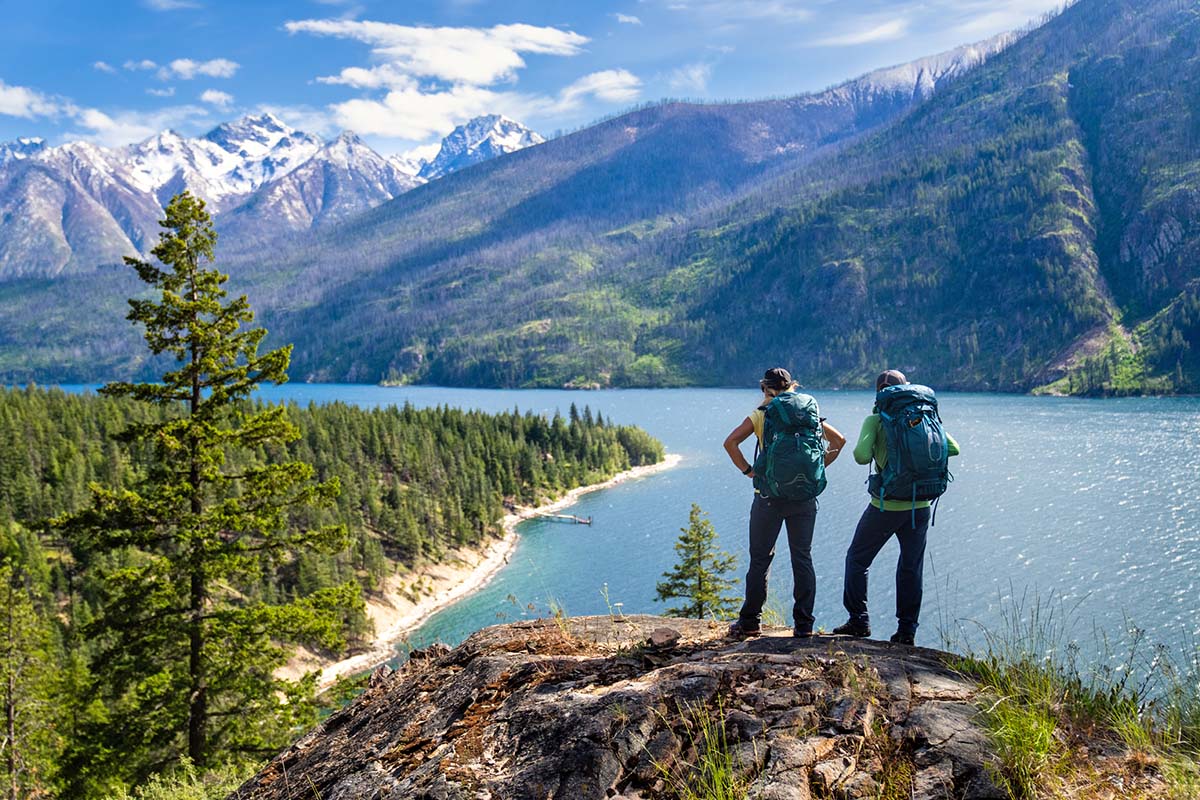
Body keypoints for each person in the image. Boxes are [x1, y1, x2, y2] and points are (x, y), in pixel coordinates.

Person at [832, 369, 960, 646]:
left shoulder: (876, 419)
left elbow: (860, 456)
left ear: (880, 392)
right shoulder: (924, 415)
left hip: (886, 506)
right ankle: (906, 631)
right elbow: (954, 448)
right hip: (921, 505)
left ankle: (859, 620)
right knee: (911, 566)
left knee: (857, 559)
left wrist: (880, 441)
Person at [723, 368, 846, 638]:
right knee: (802, 558)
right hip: (804, 498)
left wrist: (749, 471)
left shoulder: (761, 415)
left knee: (760, 560)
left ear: (765, 389)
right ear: (793, 386)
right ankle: (804, 625)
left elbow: (730, 442)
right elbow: (839, 441)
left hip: (768, 498)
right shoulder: (808, 415)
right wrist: (817, 468)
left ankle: (750, 622)